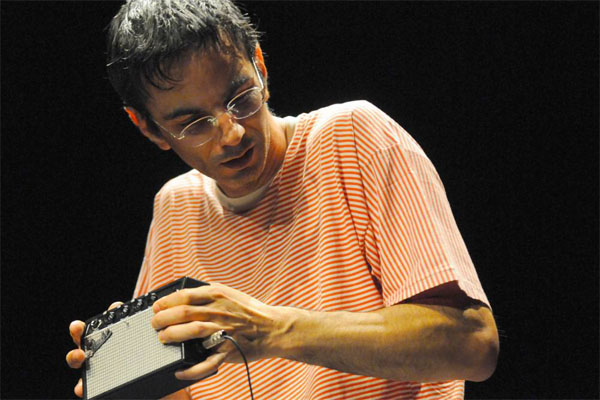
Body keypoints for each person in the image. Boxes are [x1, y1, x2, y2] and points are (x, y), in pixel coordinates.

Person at [66, 1, 499, 399]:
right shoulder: (175, 207)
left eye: (240, 98)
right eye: (195, 124)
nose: (232, 133)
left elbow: (473, 345)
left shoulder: (355, 139)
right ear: (147, 127)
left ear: (260, 65)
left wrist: (271, 329)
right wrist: (140, 384)